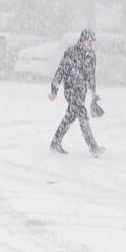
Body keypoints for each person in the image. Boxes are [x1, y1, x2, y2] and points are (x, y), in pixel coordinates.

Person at [49, 29, 104, 157]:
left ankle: (55, 143)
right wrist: (54, 89)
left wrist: (93, 95)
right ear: (82, 40)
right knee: (83, 115)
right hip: (71, 89)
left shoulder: (91, 56)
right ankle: (93, 147)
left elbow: (91, 77)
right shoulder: (71, 52)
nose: (90, 44)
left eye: (92, 42)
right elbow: (60, 71)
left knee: (70, 116)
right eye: (89, 41)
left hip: (81, 91)